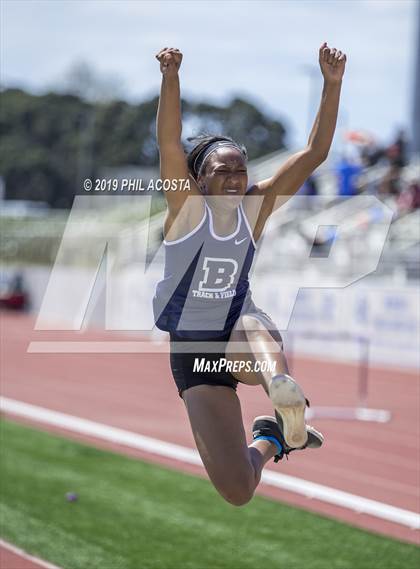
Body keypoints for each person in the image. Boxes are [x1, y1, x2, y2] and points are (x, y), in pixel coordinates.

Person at [153, 43, 346, 506]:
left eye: (241, 169)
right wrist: (171, 77)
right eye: (224, 171)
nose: (237, 178)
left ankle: (284, 394)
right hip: (196, 354)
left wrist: (332, 84)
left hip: (240, 334)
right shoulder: (186, 212)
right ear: (200, 180)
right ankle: (275, 437)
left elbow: (316, 151)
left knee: (251, 324)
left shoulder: (254, 211)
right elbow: (168, 143)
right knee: (238, 489)